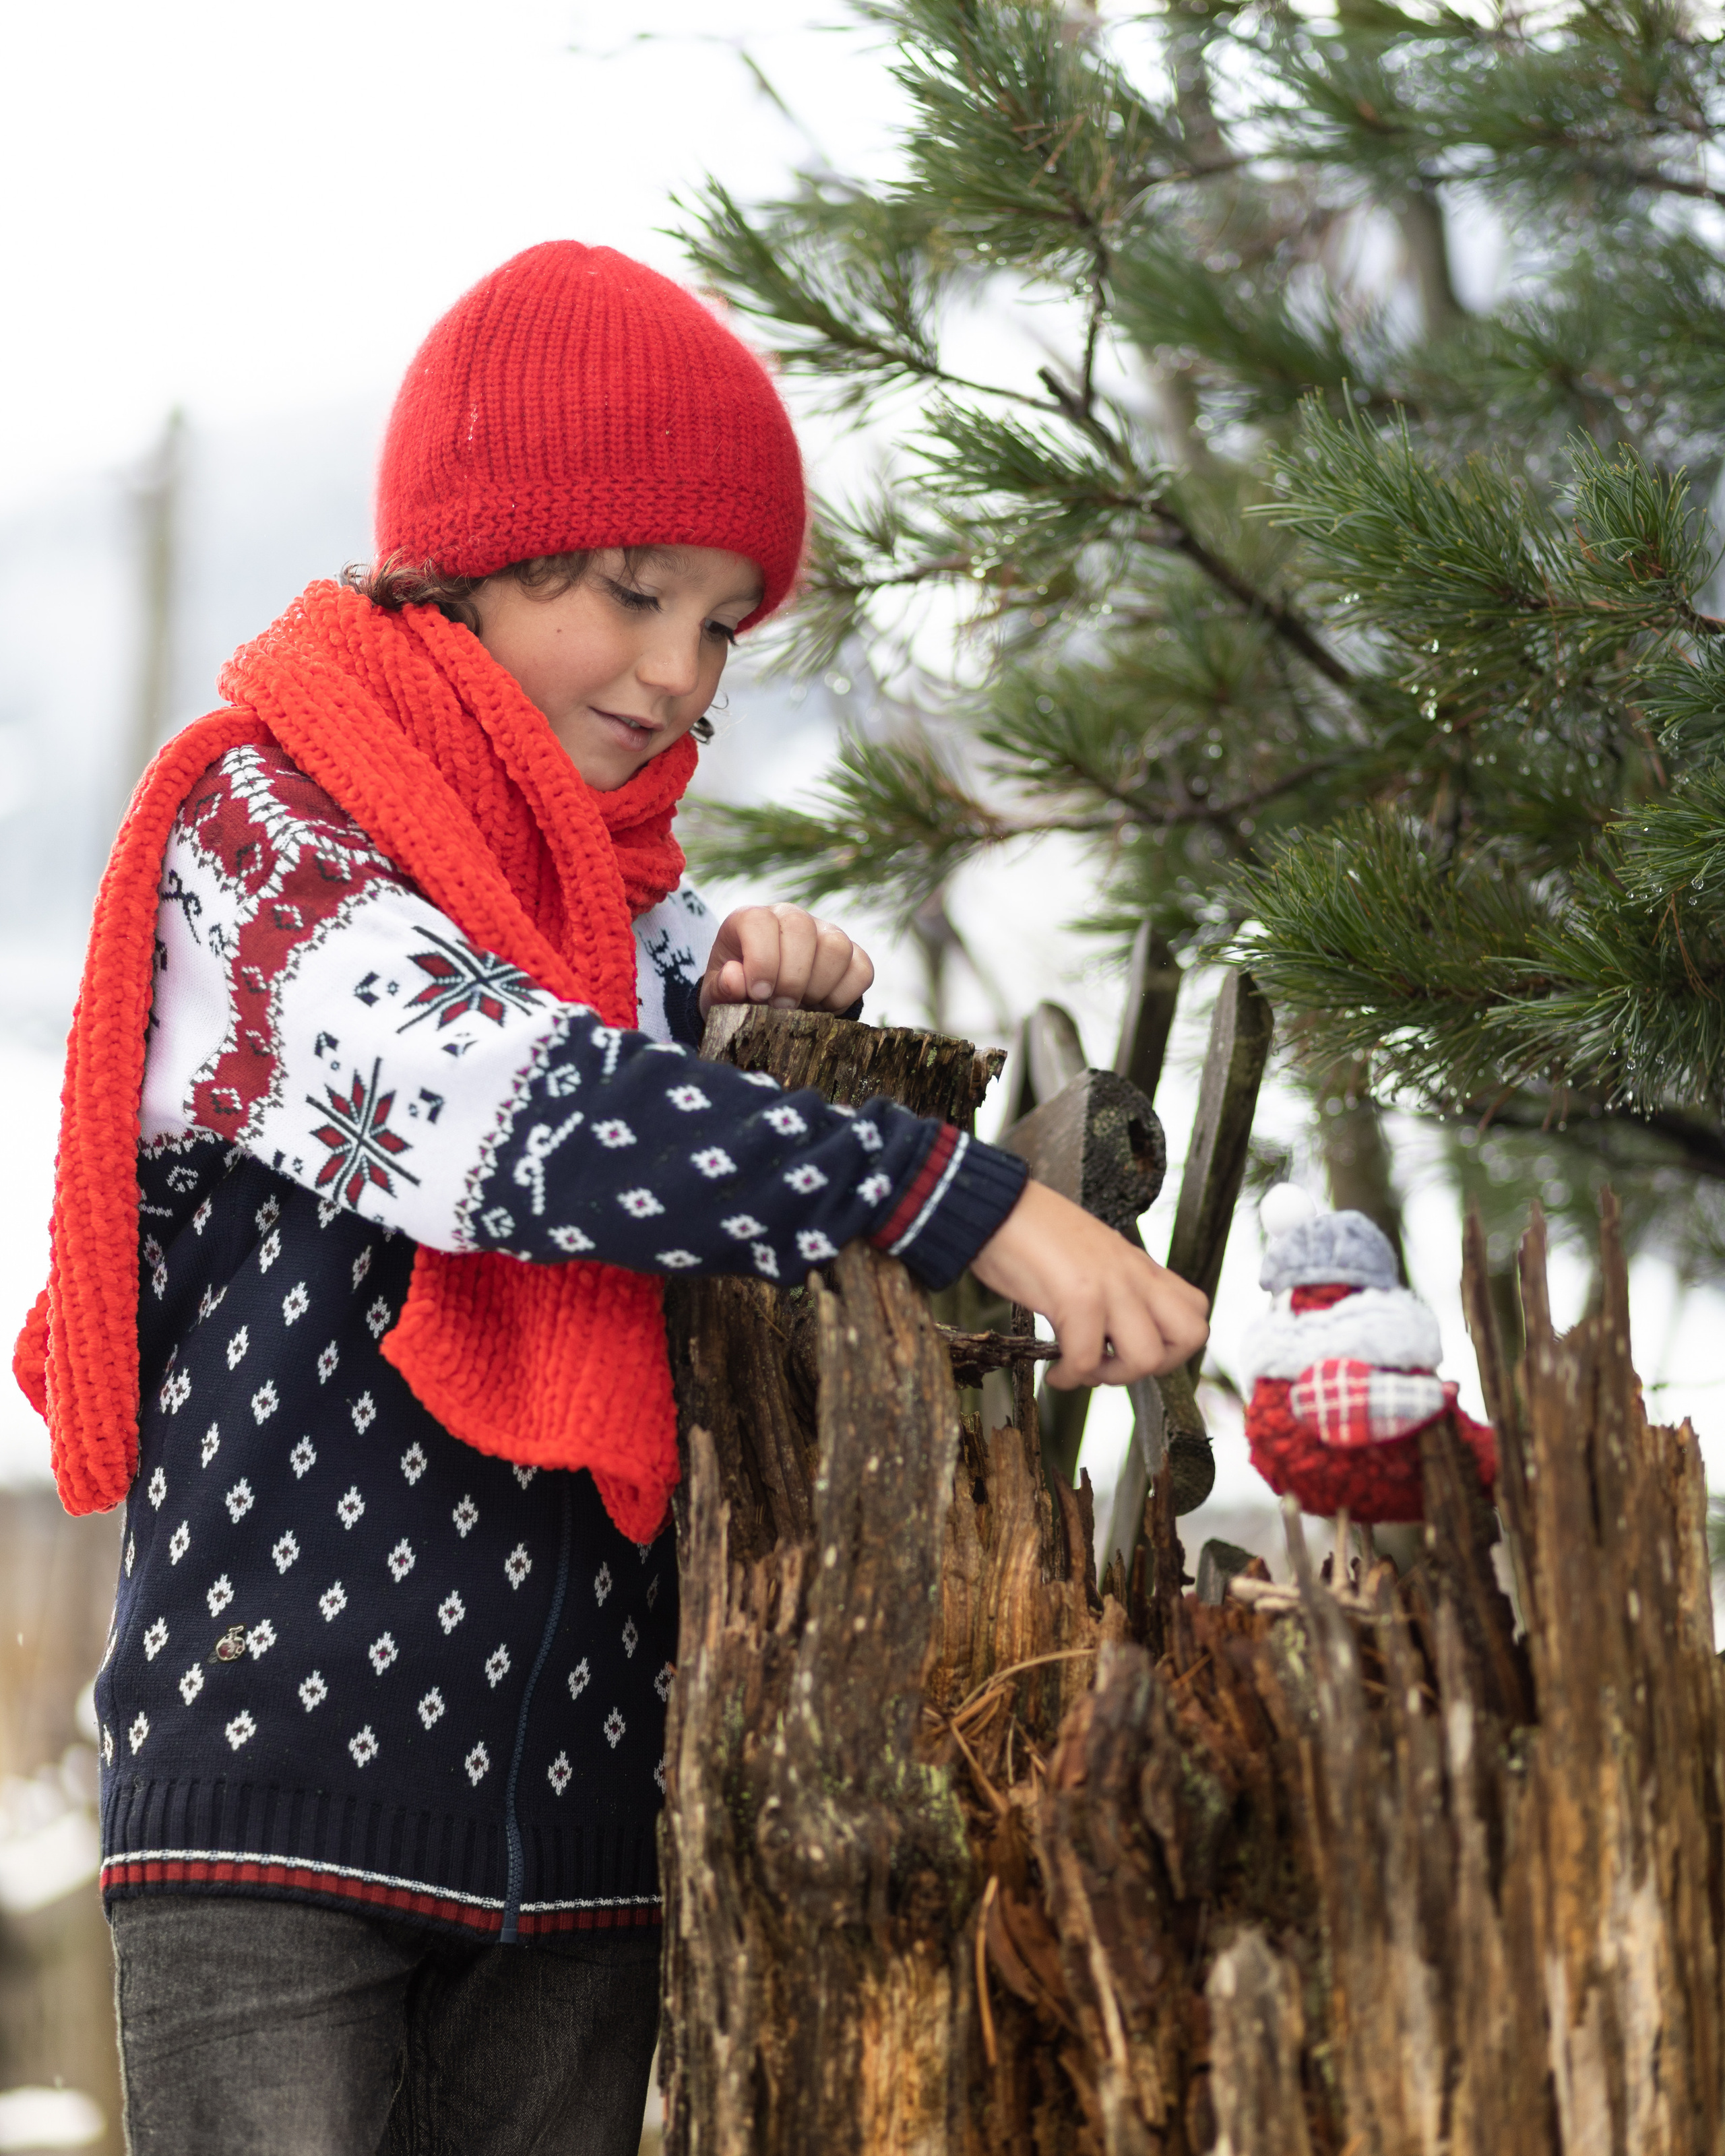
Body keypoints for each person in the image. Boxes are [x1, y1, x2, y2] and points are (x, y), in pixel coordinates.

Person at [15, 242, 1208, 2156]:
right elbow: (505, 1117)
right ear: (464, 566)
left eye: (725, 625)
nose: (678, 674)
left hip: (580, 1835)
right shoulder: (264, 834)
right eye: (636, 593)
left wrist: (749, 1017)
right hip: (279, 1809)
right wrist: (947, 1191)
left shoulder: (621, 917)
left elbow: (663, 1138)